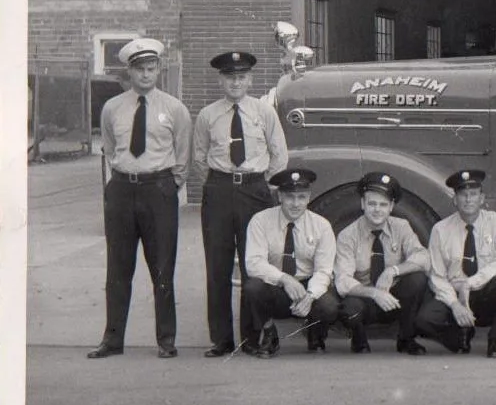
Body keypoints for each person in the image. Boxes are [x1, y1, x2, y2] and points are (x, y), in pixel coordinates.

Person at [89, 37, 192, 359]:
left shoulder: (174, 109)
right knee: (117, 268)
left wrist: (166, 187)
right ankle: (112, 339)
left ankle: (166, 340)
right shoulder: (112, 108)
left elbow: (183, 156)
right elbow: (109, 147)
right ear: (129, 72)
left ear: (159, 69)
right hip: (121, 189)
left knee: (162, 267)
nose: (146, 75)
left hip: (158, 189)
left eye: (152, 68)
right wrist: (119, 182)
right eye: (140, 70)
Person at [192, 50, 288, 357]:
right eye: (230, 77)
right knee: (217, 266)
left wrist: (261, 184)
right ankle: (221, 339)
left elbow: (279, 154)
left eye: (242, 77)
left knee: (254, 264)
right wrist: (222, 181)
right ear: (221, 80)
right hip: (219, 190)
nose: (236, 83)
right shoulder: (208, 115)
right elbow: (200, 157)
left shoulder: (264, 112)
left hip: (254, 190)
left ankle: (252, 337)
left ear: (250, 79)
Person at [415, 169, 496, 357]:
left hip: (487, 293)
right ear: (455, 199)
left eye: (473, 194)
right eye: (463, 195)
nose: (468, 200)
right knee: (424, 320)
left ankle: (495, 340)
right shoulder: (441, 230)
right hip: (456, 294)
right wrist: (455, 305)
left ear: (482, 198)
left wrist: (470, 283)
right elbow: (437, 277)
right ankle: (460, 336)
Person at [242, 168, 340, 356]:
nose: (296, 204)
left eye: (301, 197)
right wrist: (285, 279)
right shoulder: (260, 221)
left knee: (330, 306)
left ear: (309, 197)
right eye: (290, 197)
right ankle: (269, 332)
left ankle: (315, 334)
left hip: (307, 285)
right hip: (277, 285)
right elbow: (254, 263)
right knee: (253, 287)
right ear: (279, 196)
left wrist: (310, 296)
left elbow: (324, 270)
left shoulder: (322, 226)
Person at [333, 172, 431, 355]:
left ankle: (406, 339)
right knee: (349, 308)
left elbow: (423, 258)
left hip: (393, 299)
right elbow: (343, 281)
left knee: (417, 279)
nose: (377, 210)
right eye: (372, 204)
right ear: (363, 204)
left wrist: (393, 271)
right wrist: (374, 293)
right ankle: (359, 339)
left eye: (383, 204)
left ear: (391, 206)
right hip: (366, 299)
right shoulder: (347, 235)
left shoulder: (401, 226)